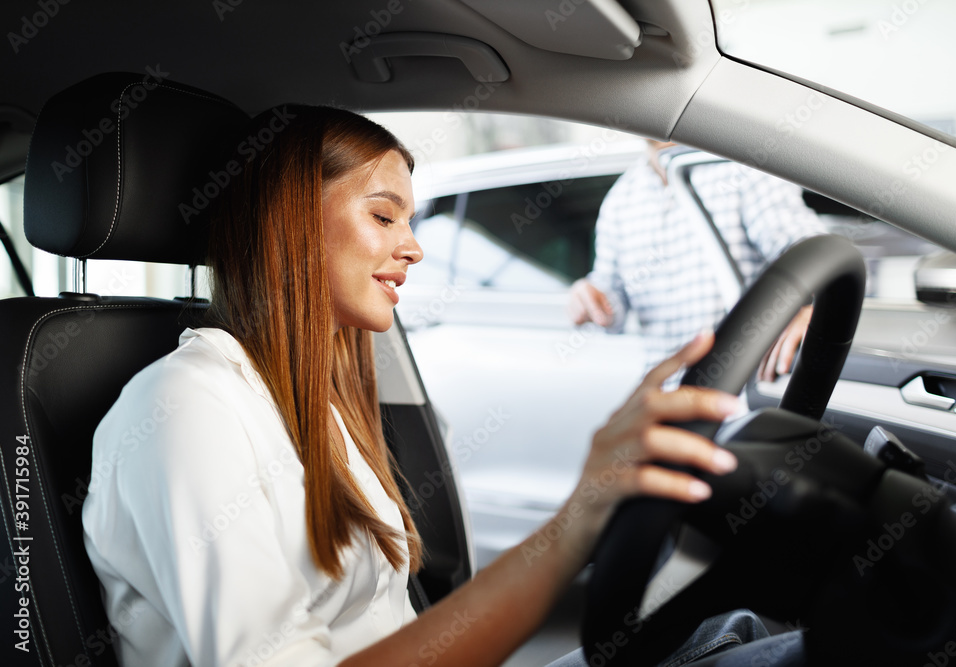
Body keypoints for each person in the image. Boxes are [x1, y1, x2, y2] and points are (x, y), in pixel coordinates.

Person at [81, 107, 805, 666]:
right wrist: (580, 512)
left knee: (732, 637)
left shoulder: (316, 404)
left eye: (412, 220)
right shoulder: (184, 406)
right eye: (383, 214)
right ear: (292, 219)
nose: (415, 246)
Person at [568, 141, 826, 387]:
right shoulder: (620, 200)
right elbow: (613, 304)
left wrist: (815, 309)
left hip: (741, 398)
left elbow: (815, 255)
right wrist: (590, 298)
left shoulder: (742, 167)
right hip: (664, 401)